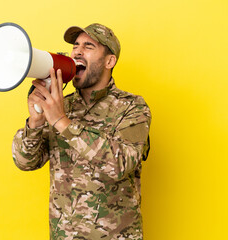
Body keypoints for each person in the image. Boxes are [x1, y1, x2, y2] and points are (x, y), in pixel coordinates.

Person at [12, 23, 151, 240]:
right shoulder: (60, 105)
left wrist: (61, 121)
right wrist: (36, 121)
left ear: (109, 61)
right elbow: (25, 162)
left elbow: (120, 164)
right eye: (75, 46)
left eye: (88, 46)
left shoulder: (132, 107)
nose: (77, 51)